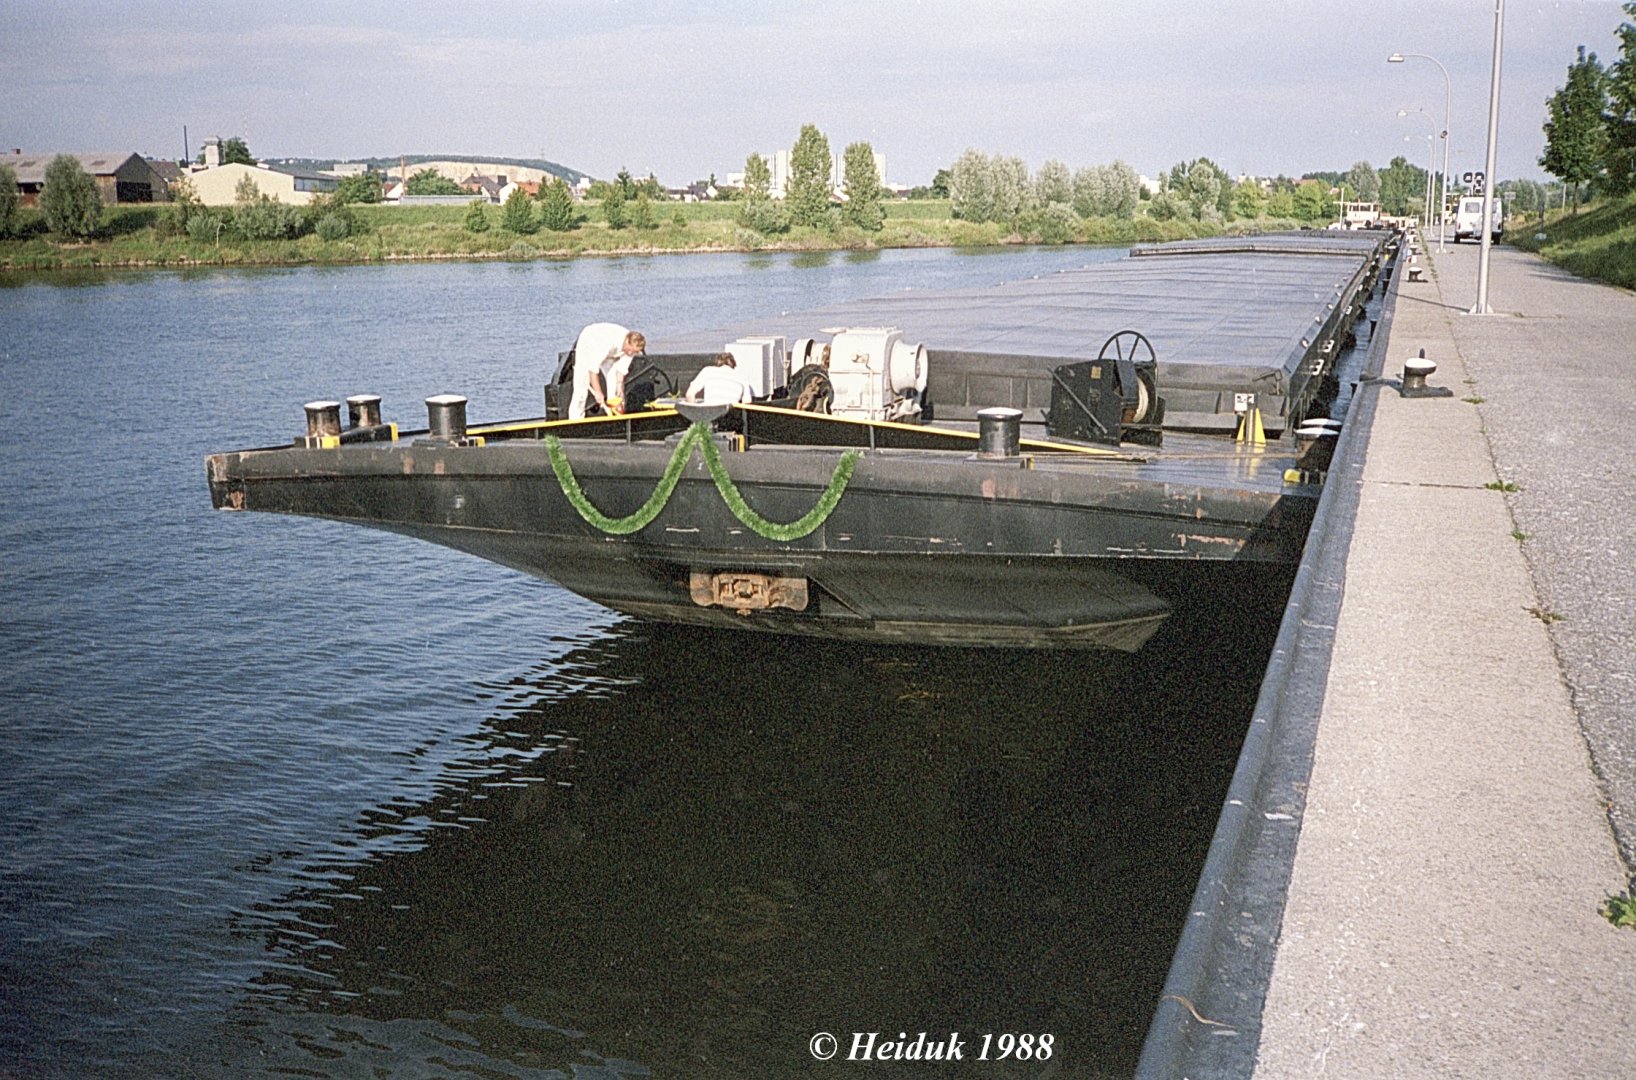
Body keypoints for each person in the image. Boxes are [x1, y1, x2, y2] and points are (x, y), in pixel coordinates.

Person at [567, 324, 646, 420]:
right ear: (626, 341)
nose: (630, 354)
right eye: (630, 350)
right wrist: (598, 392)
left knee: (615, 387)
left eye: (634, 352)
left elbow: (621, 369)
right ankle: (576, 419)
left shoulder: (632, 348)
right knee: (581, 389)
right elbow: (593, 370)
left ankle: (614, 414)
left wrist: (619, 385)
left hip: (611, 352)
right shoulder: (607, 343)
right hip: (589, 344)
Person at [685, 352, 753, 405]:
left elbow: (689, 394)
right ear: (733, 365)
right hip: (730, 415)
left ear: (718, 363)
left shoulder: (708, 371)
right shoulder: (742, 378)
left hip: (709, 412)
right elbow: (747, 402)